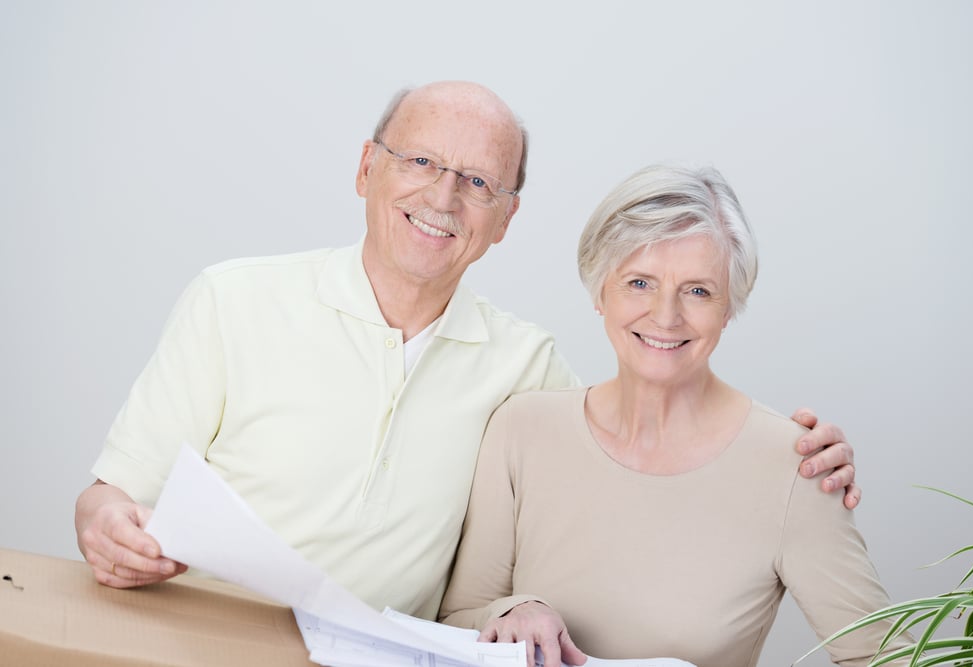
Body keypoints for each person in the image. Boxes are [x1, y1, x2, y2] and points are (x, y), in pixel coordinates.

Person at [74, 82, 859, 622]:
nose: (443, 198)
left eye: (479, 181)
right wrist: (108, 526)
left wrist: (792, 460)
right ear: (365, 169)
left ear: (506, 218)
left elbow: (643, 433)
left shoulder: (526, 368)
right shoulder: (232, 300)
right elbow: (111, 495)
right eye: (420, 162)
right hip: (189, 637)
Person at [439, 164, 905, 666]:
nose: (666, 316)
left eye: (698, 290)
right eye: (639, 282)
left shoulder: (797, 465)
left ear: (730, 308)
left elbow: (881, 658)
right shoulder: (521, 430)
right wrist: (515, 610)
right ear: (600, 292)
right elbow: (454, 620)